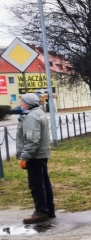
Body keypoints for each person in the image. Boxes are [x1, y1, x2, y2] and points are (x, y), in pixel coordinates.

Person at [15, 93, 55, 224]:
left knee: (36, 185)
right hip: (41, 154)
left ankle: (41, 212)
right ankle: (49, 210)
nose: (21, 105)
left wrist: (24, 157)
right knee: (44, 183)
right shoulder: (39, 113)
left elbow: (32, 140)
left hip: (35, 156)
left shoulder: (31, 117)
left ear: (27, 104)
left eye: (22, 102)